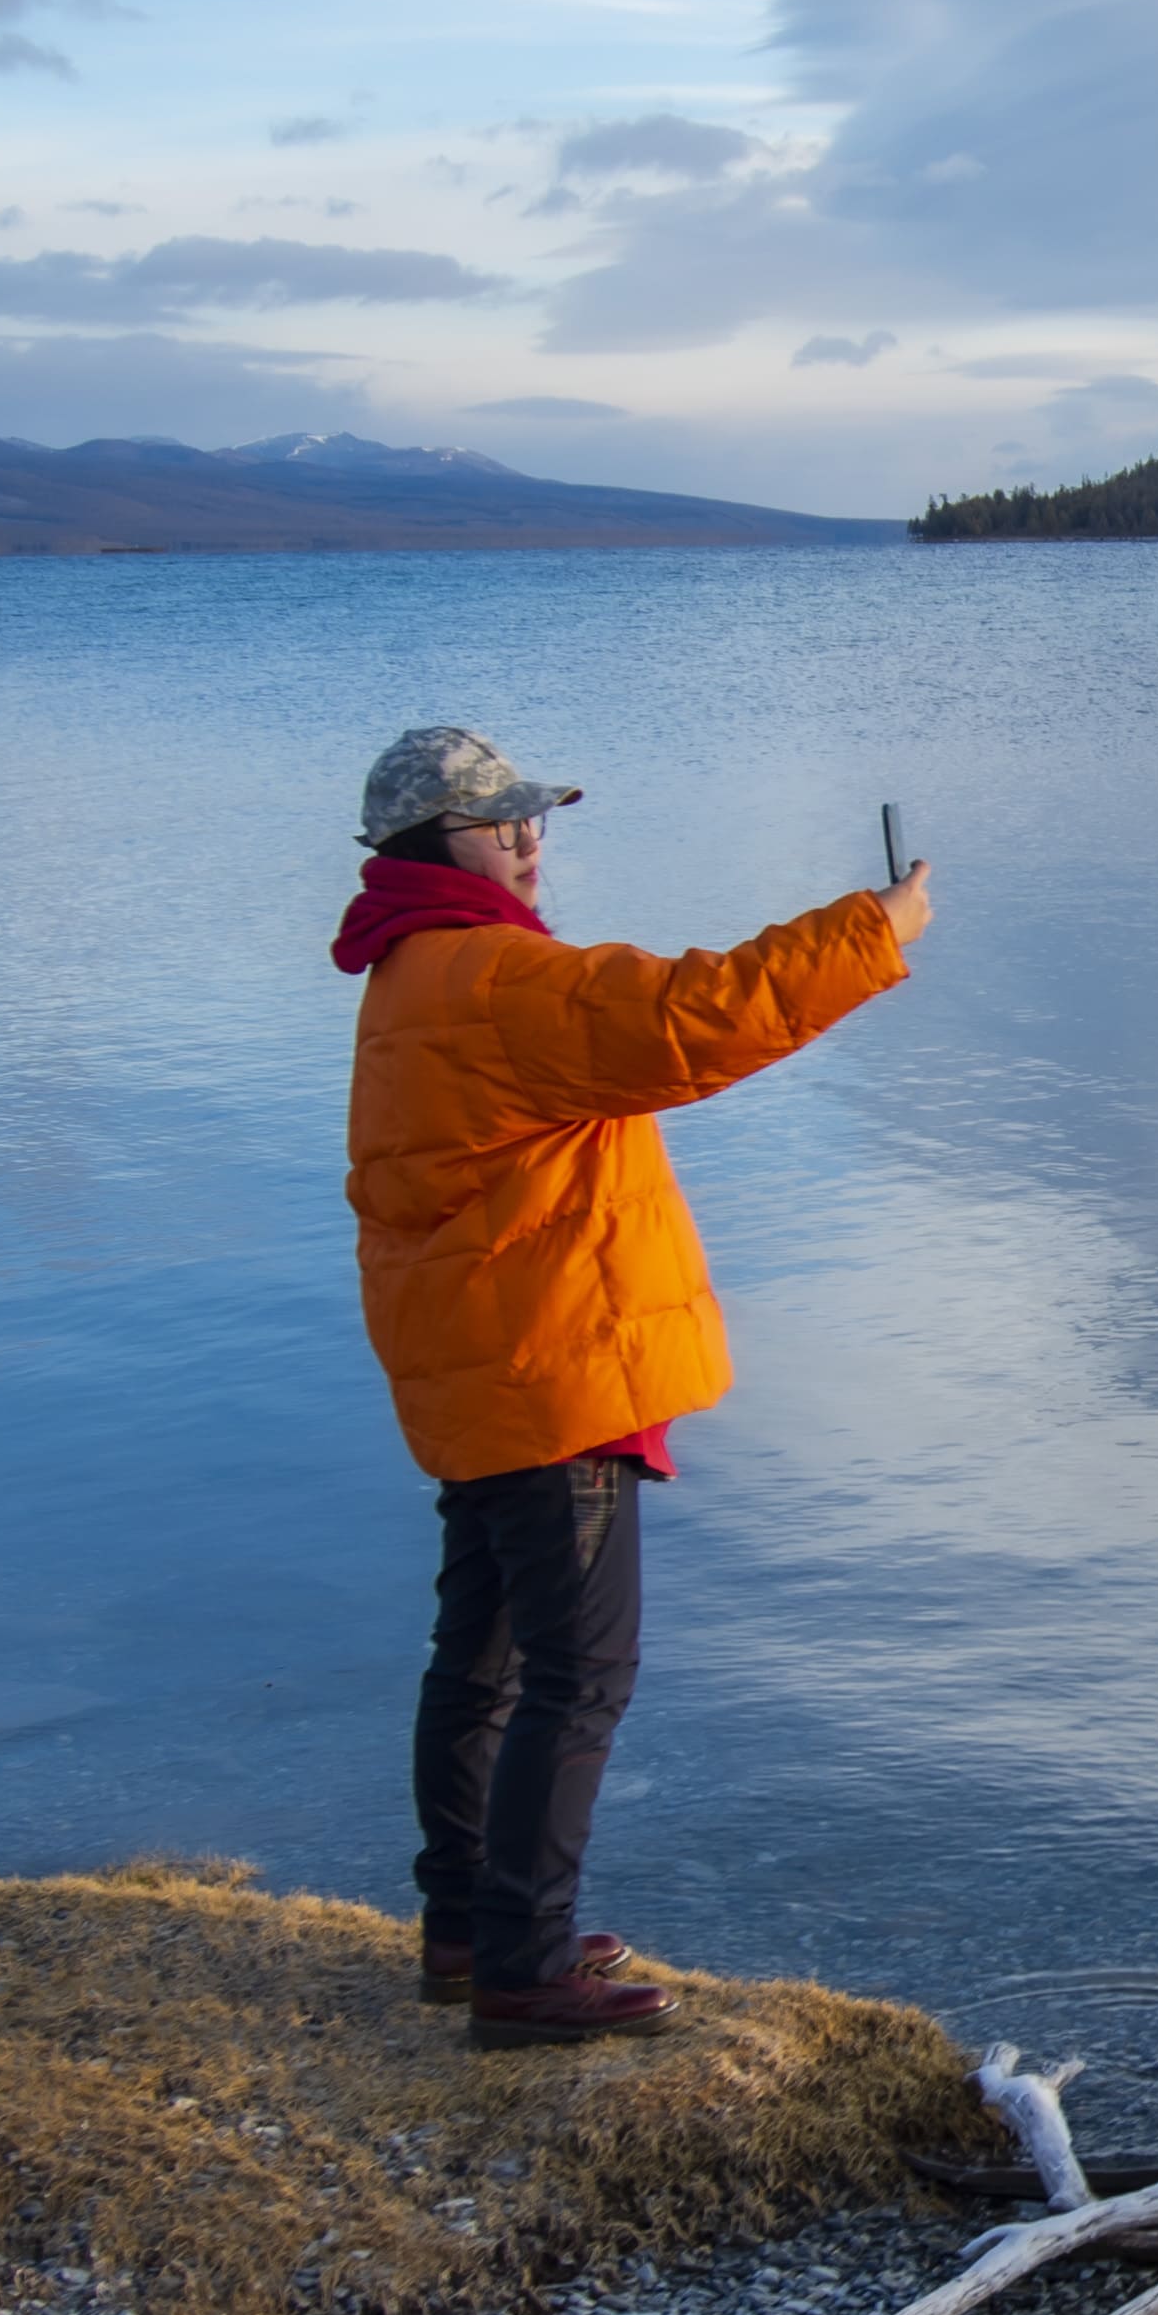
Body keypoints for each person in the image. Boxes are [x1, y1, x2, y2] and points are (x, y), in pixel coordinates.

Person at [332, 724, 925, 2043]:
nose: (533, 841)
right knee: (575, 1678)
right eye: (505, 823)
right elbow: (686, 1017)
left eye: (534, 818)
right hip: (553, 1381)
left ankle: (467, 1929)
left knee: (480, 1664)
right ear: (440, 845)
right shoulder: (492, 975)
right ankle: (525, 1970)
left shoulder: (409, 973)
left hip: (482, 1376)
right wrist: (871, 930)